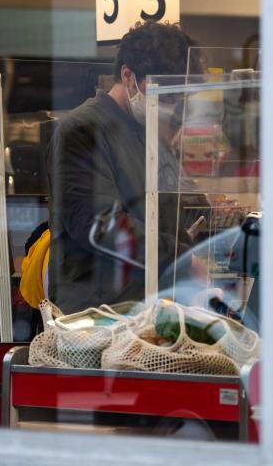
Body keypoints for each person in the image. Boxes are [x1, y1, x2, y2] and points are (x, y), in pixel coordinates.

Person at [46, 21, 203, 313]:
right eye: (164, 94)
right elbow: (100, 224)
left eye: (178, 97)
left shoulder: (150, 130)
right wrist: (180, 258)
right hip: (98, 312)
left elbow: (168, 203)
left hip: (147, 303)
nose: (170, 105)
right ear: (128, 75)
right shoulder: (80, 130)